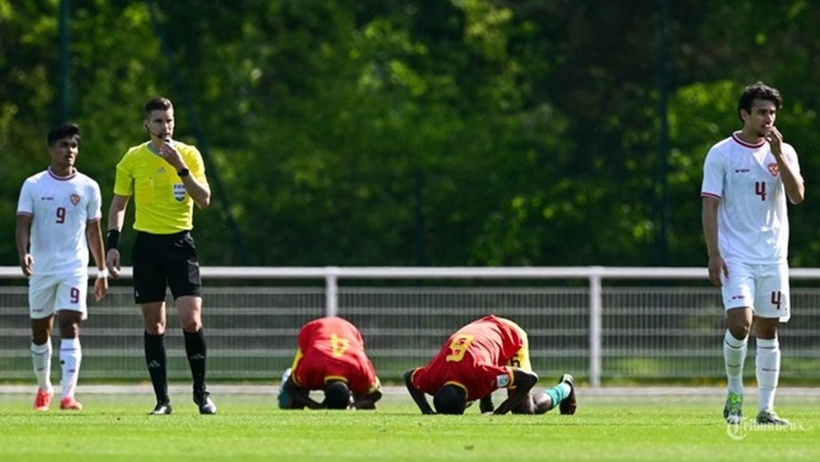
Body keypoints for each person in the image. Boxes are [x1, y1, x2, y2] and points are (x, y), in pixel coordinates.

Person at [701, 81, 805, 426]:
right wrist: (714, 254)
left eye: (772, 113)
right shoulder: (722, 153)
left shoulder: (784, 151)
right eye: (761, 112)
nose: (768, 119)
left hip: (772, 256)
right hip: (736, 256)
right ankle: (733, 394)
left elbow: (797, 196)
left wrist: (777, 155)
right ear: (745, 114)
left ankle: (766, 409)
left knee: (768, 329)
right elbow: (710, 205)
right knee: (741, 323)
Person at [105, 96, 216, 415]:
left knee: (191, 318)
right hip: (147, 248)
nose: (164, 127)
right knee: (154, 325)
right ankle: (162, 401)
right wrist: (113, 243)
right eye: (158, 121)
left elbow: (205, 199)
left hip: (181, 245)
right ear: (146, 124)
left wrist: (180, 168)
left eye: (169, 120)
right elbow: (118, 205)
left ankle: (201, 394)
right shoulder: (133, 158)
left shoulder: (190, 155)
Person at [16, 123, 108, 411]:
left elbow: (94, 231)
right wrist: (24, 253)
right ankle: (45, 388)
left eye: (74, 145)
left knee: (70, 323)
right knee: (40, 331)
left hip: (74, 267)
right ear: (51, 150)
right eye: (64, 145)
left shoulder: (88, 187)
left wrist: (101, 270)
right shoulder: (33, 185)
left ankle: (69, 395)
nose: (70, 151)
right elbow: (22, 224)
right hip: (42, 268)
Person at [404, 314, 576, 415]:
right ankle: (486, 402)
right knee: (483, 377)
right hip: (481, 334)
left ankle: (566, 386)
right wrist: (426, 411)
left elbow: (529, 379)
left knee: (525, 410)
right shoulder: (432, 377)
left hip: (509, 335)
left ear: (466, 400)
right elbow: (409, 377)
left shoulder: (480, 372)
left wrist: (498, 413)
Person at [278, 316, 382, 410]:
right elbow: (290, 387)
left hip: (349, 331)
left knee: (365, 399)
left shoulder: (360, 369)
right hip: (315, 330)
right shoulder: (311, 366)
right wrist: (317, 407)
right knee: (291, 401)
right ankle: (290, 374)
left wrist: (352, 406)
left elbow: (376, 393)